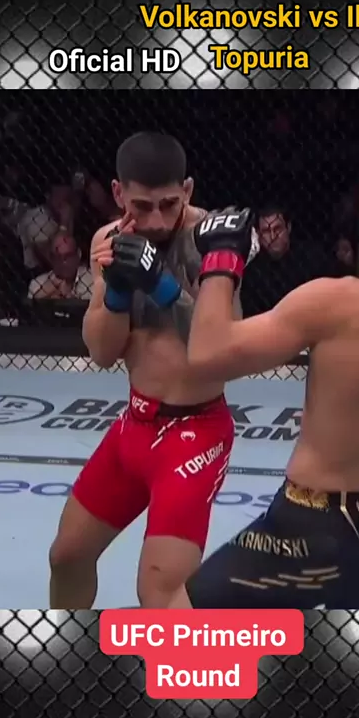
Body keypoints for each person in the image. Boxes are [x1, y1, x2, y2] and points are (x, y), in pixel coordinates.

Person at [169, 149, 359, 609]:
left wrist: (221, 258)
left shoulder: (338, 304)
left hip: (309, 530)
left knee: (175, 631)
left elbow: (208, 354)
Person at [49, 133, 247, 608]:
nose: (156, 220)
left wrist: (162, 286)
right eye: (142, 206)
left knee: (159, 593)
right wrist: (116, 293)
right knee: (67, 556)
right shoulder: (108, 240)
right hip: (134, 426)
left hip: (195, 433)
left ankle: (189, 661)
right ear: (118, 194)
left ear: (188, 191)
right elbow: (101, 352)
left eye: (169, 205)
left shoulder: (213, 239)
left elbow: (227, 346)